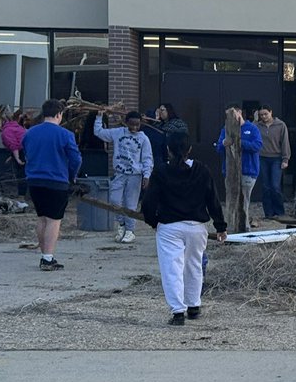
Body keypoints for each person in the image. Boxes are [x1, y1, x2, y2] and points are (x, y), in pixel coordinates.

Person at [142, 132, 228, 326]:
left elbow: (149, 201)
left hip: (169, 226)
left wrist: (153, 221)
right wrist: (220, 226)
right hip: (197, 226)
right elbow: (213, 200)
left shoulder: (161, 171)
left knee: (171, 268)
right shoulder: (202, 170)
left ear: (168, 150)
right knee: (194, 266)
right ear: (189, 149)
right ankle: (194, 305)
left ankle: (178, 311)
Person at [23, 99, 82, 271]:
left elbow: (26, 152)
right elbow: (76, 159)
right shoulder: (65, 135)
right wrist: (72, 176)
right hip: (56, 181)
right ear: (59, 114)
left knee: (41, 218)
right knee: (54, 220)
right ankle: (47, 258)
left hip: (34, 181)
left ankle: (45, 254)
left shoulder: (29, 133)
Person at [94, 109, 154, 243]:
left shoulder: (143, 138)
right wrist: (99, 117)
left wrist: (146, 175)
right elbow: (99, 132)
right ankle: (121, 224)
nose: (134, 128)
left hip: (135, 175)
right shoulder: (118, 133)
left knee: (131, 204)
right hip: (120, 173)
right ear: (126, 122)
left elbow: (147, 158)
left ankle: (130, 230)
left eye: (137, 125)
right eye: (131, 124)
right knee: (114, 200)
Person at [215, 107, 263, 225]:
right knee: (231, 200)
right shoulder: (225, 129)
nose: (230, 118)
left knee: (243, 201)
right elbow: (219, 148)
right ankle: (230, 226)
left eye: (232, 114)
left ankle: (243, 227)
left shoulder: (252, 129)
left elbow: (257, 146)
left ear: (240, 112)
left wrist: (239, 142)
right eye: (228, 115)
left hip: (248, 171)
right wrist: (223, 144)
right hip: (230, 171)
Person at [257, 107, 291, 218]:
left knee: (275, 186)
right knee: (265, 186)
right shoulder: (257, 126)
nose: (263, 117)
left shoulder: (280, 125)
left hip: (276, 158)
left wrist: (285, 159)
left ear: (271, 112)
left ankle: (280, 212)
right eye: (261, 115)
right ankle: (268, 213)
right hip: (262, 158)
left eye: (265, 114)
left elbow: (285, 142)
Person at [0, 111, 29, 197]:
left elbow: (14, 145)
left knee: (21, 174)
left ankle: (21, 196)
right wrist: (12, 156)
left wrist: (17, 158)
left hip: (22, 152)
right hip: (29, 150)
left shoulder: (7, 130)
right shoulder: (18, 127)